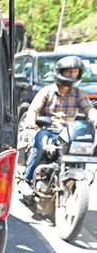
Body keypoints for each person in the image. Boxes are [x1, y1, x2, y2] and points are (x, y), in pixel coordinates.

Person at [23, 56, 97, 184]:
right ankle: (27, 180)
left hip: (68, 132)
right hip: (47, 130)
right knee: (39, 147)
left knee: (84, 151)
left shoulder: (79, 93)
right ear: (60, 72)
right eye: (69, 71)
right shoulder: (47, 91)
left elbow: (88, 109)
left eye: (75, 72)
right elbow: (33, 109)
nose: (72, 75)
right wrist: (31, 121)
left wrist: (94, 118)